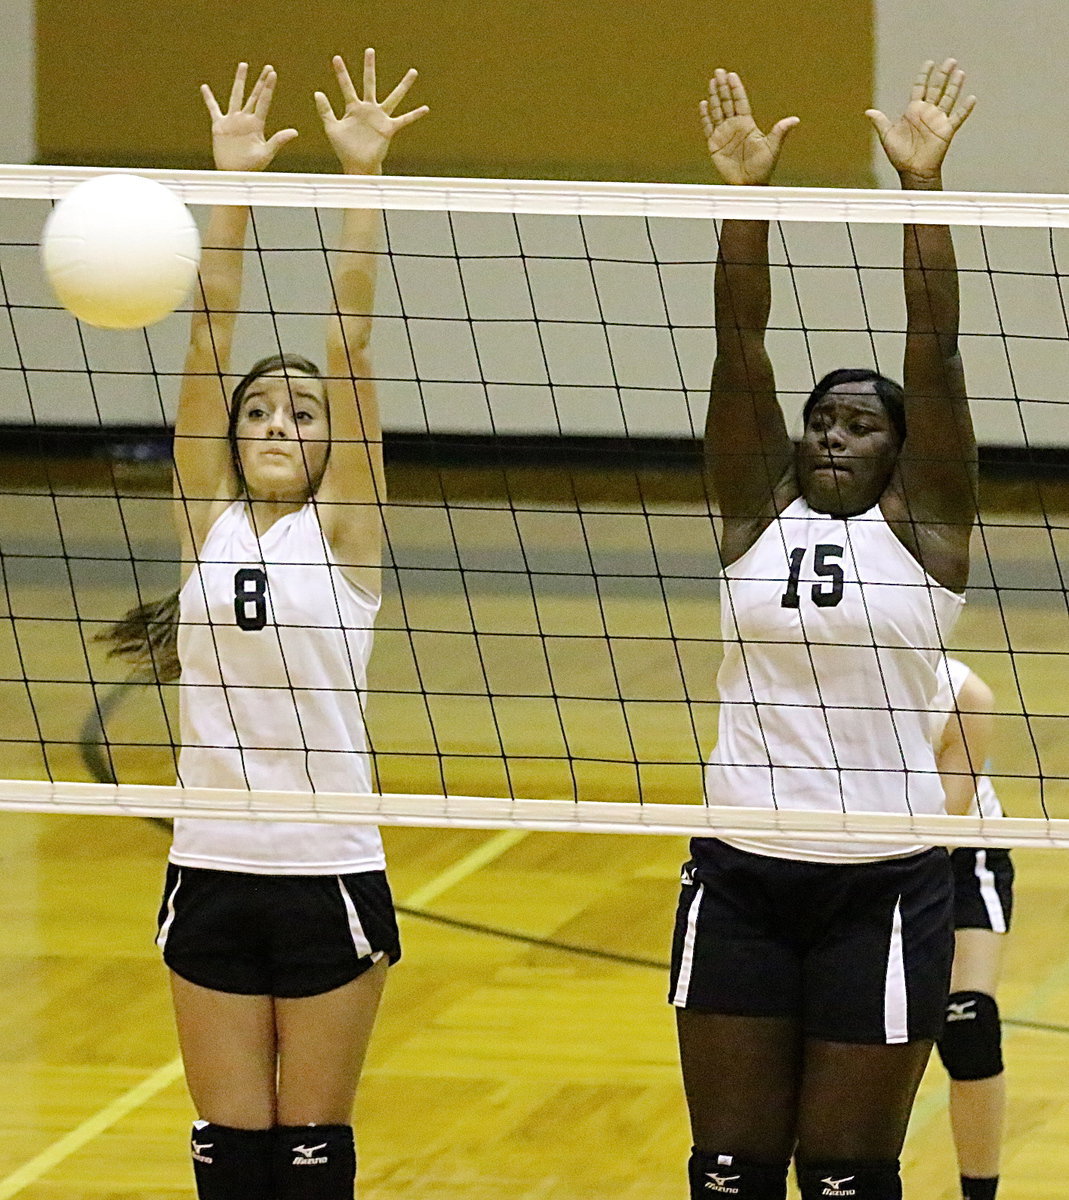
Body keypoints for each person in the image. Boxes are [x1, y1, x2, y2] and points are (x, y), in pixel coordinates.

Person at [101, 52, 427, 1200]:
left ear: (332, 439)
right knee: (231, 1153)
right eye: (258, 409)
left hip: (326, 865)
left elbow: (349, 343)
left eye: (299, 412)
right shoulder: (210, 524)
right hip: (213, 864)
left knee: (308, 1150)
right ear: (231, 439)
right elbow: (205, 339)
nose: (278, 420)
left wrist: (361, 179)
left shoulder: (340, 538)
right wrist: (226, 186)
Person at [668, 60, 977, 1200]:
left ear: (903, 457)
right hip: (740, 875)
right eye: (819, 423)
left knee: (845, 1174)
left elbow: (933, 358)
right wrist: (744, 195)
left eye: (859, 427)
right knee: (731, 1170)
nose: (831, 440)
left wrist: (920, 190)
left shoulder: (927, 535)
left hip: (883, 886)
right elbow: (737, 344)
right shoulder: (755, 516)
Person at [932, 658, 1012, 1200]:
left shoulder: (956, 690)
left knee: (968, 1022)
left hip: (955, 856)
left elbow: (939, 830)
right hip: (842, 854)